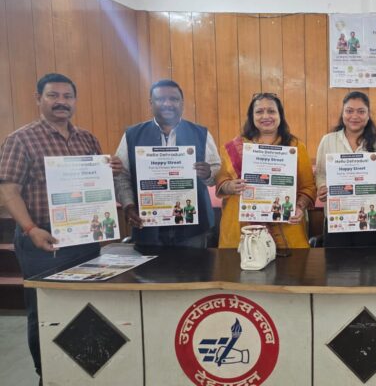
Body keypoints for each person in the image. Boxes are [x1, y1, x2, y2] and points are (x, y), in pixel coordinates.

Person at [0, 73, 122, 380]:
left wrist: (111, 170)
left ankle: (82, 373)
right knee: (45, 311)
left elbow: (97, 185)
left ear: (75, 101)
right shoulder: (20, 140)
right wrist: (30, 229)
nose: (61, 102)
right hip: (43, 241)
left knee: (87, 309)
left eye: (67, 96)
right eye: (53, 95)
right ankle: (48, 374)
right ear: (38, 98)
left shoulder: (87, 139)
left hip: (85, 240)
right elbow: (9, 190)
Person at [114, 79, 221, 248]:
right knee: (150, 266)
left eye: (174, 99)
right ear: (151, 103)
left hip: (192, 228)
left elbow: (216, 171)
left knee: (195, 266)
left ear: (182, 103)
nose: (167, 104)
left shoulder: (201, 133)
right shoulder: (132, 135)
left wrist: (208, 173)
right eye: (160, 99)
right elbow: (121, 176)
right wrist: (128, 205)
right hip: (147, 225)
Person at [216, 93, 316, 249]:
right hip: (241, 226)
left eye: (271, 111)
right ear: (252, 116)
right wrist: (230, 186)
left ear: (280, 115)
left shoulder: (295, 146)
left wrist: (299, 207)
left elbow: (308, 186)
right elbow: (221, 181)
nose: (265, 116)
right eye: (259, 112)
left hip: (287, 228)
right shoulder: (232, 147)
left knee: (291, 265)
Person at [315, 91, 376, 247]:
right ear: (342, 113)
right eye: (349, 111)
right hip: (338, 216)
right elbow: (321, 174)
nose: (354, 116)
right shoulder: (328, 141)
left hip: (369, 217)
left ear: (368, 115)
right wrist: (322, 188)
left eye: (361, 111)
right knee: (336, 260)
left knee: (369, 260)